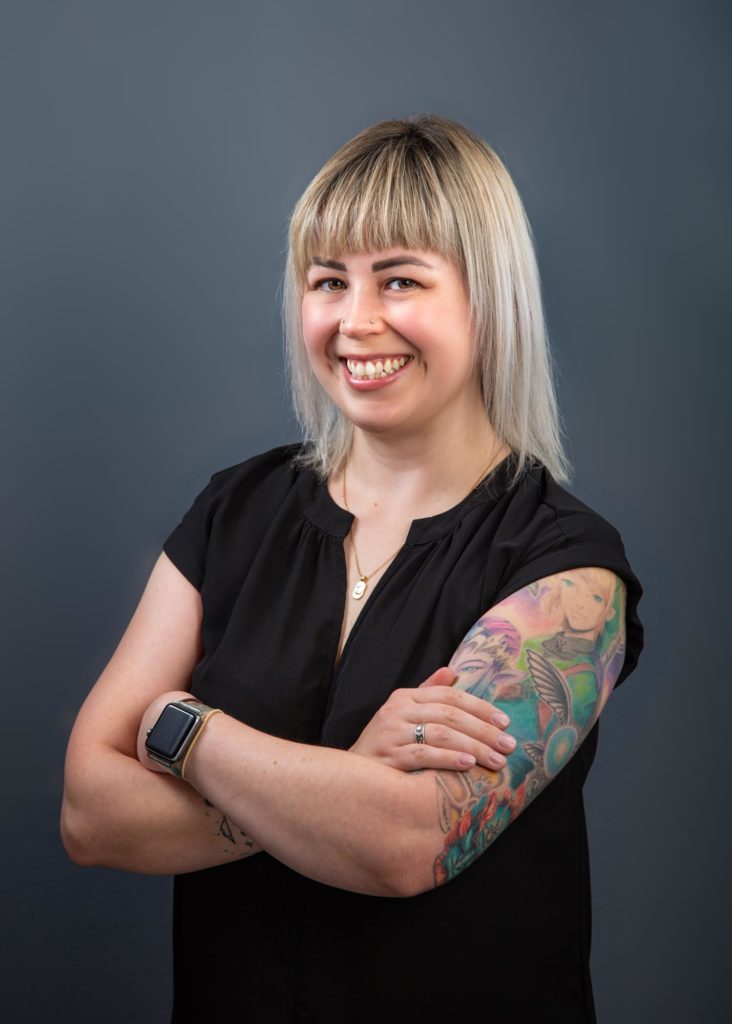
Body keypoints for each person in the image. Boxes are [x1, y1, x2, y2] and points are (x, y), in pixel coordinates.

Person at [61, 115, 643, 1023]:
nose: (355, 320)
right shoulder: (234, 511)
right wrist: (342, 775)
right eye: (328, 281)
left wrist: (181, 727)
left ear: (486, 300)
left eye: (400, 280)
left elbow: (403, 842)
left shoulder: (568, 572)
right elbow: (89, 816)